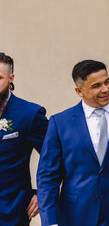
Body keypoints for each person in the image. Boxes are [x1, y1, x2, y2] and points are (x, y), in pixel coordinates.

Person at [37, 60, 109, 226]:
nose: (105, 89)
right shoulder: (60, 123)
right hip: (75, 215)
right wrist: (50, 222)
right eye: (96, 86)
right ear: (79, 91)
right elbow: (48, 177)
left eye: (107, 82)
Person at [0, 52, 48, 225]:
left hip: (10, 212)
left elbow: (54, 156)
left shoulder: (30, 114)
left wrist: (41, 193)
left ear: (11, 78)